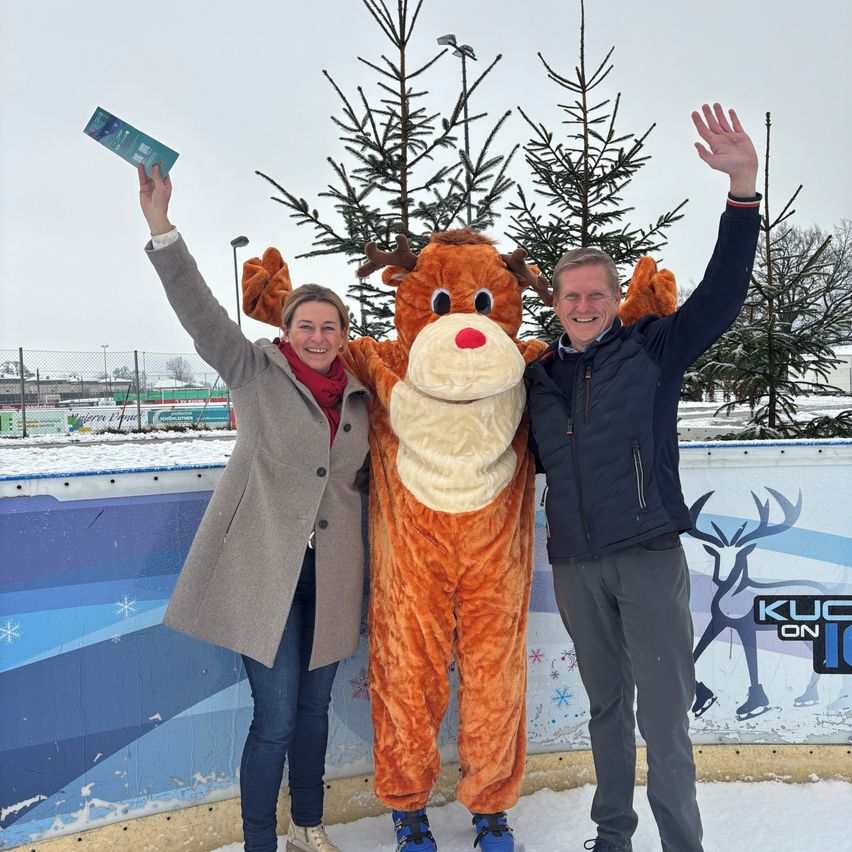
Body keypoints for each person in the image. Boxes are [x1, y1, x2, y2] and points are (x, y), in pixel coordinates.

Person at [524, 104, 760, 852]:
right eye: (572, 296)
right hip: (575, 564)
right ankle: (612, 837)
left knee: (664, 714)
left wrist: (743, 189)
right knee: (604, 710)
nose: (585, 305)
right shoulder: (536, 379)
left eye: (597, 294)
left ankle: (681, 844)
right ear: (555, 305)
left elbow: (722, 295)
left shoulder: (655, 349)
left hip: (648, 557)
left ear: (617, 299)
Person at [136, 164, 370, 852]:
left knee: (316, 710)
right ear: (289, 328)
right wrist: (161, 226)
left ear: (343, 333)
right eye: (307, 324)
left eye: (330, 326)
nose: (319, 336)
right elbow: (199, 310)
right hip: (266, 573)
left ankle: (308, 826)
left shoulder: (360, 398)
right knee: (275, 717)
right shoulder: (254, 371)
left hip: (331, 580)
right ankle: (262, 840)